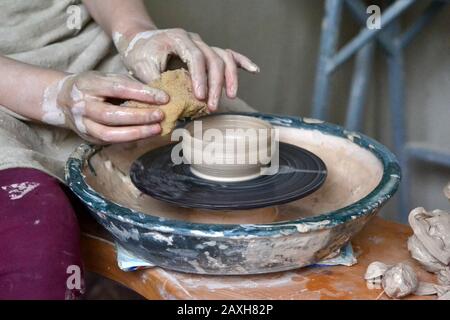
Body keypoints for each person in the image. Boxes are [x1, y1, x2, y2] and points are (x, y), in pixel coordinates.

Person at [0, 0, 259, 299]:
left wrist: (136, 33)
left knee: (246, 153)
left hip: (89, 57)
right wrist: (56, 97)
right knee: (35, 248)